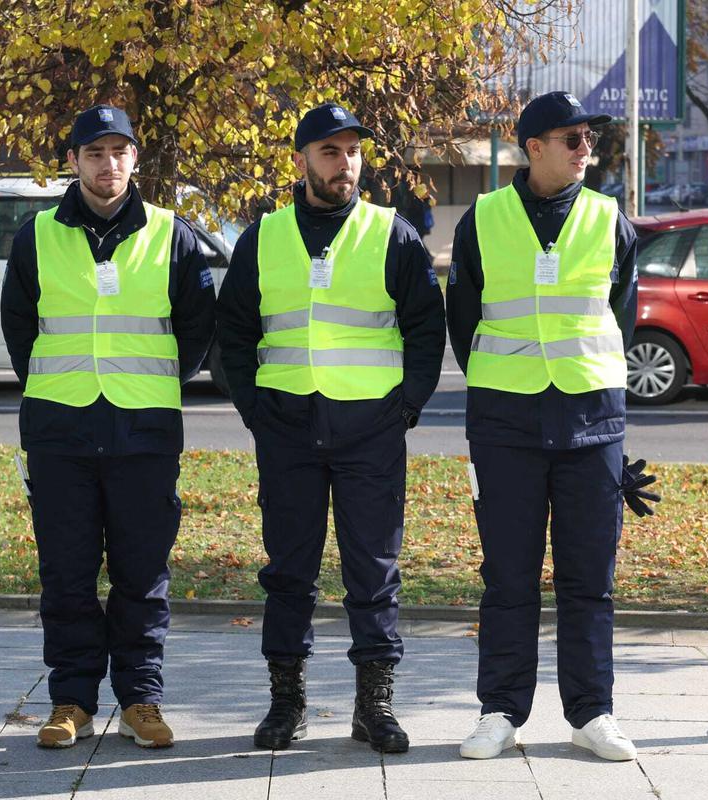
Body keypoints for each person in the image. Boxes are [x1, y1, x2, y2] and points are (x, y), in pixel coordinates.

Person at [216, 103, 446, 753]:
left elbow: (427, 328)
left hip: (370, 429)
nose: (344, 163)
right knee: (289, 572)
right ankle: (286, 704)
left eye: (351, 151)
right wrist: (253, 409)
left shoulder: (392, 234)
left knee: (374, 571)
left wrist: (405, 407)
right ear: (300, 161)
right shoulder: (263, 239)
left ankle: (374, 706)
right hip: (286, 427)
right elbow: (233, 332)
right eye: (329, 151)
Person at [446, 91, 658, 762]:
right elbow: (464, 319)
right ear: (533, 146)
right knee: (508, 577)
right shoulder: (482, 220)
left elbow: (618, 318)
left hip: (592, 422)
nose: (585, 147)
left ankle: (592, 713)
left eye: (588, 137)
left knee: (589, 578)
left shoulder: (607, 218)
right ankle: (500, 712)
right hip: (504, 422)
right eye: (573, 137)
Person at [0, 105, 215, 749]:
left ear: (135, 159)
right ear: (73, 162)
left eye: (119, 151)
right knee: (65, 573)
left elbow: (197, 329)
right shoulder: (35, 235)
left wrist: (151, 390)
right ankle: (71, 700)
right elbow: (19, 328)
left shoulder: (173, 234)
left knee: (141, 572)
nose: (107, 164)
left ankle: (141, 699)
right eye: (94, 153)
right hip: (60, 430)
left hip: (143, 430)